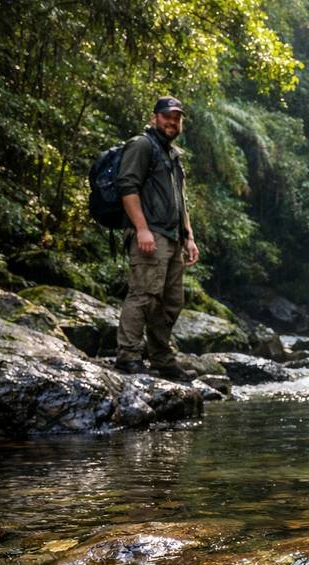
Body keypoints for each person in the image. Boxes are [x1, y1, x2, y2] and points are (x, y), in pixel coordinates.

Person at [113, 96, 200, 381]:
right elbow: (128, 186)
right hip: (150, 234)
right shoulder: (141, 145)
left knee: (171, 302)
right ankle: (128, 357)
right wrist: (141, 229)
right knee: (143, 296)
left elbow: (180, 200)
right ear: (155, 118)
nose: (172, 122)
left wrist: (188, 236)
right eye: (167, 116)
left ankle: (162, 359)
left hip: (173, 238)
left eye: (177, 118)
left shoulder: (173, 154)